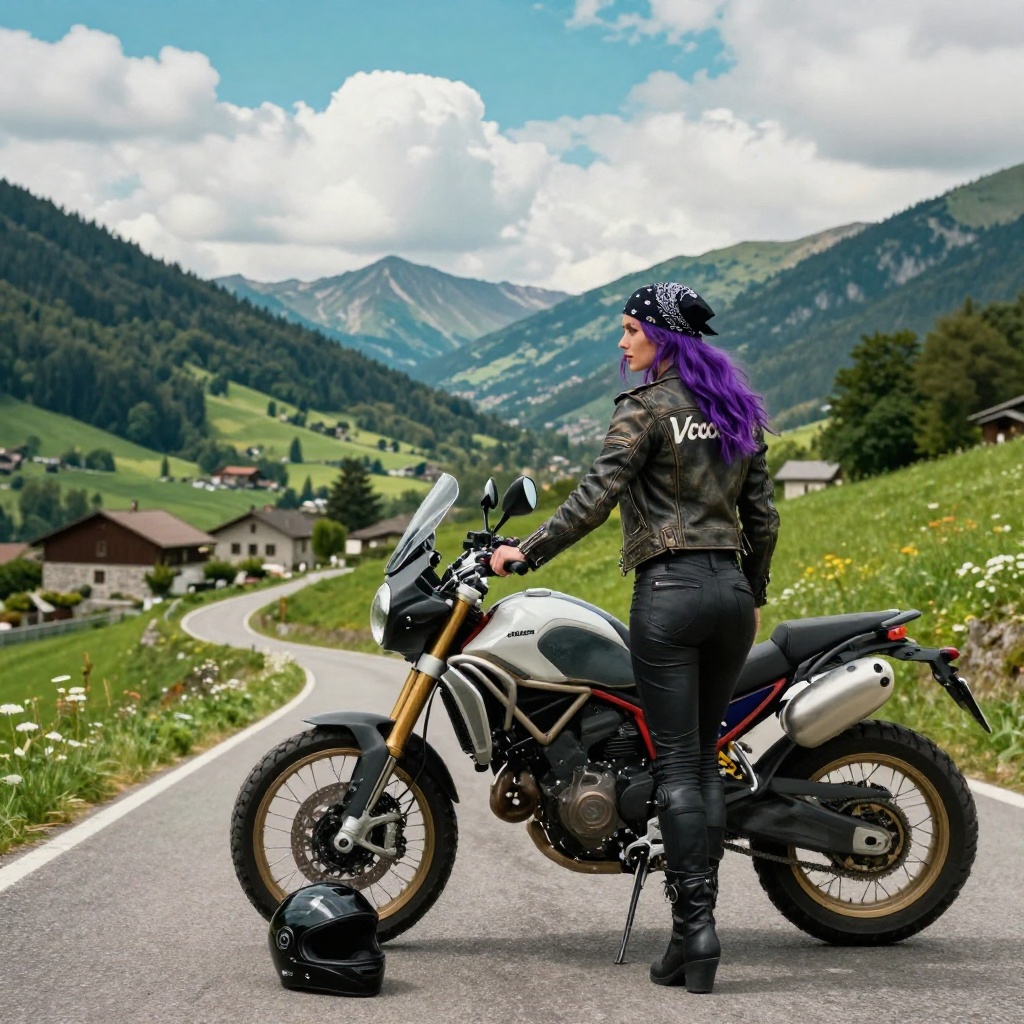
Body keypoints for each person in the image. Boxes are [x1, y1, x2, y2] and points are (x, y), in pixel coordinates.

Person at [490, 282, 779, 994]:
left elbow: (595, 498)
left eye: (629, 330)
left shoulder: (645, 410)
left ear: (662, 336)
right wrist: (753, 594)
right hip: (730, 597)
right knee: (704, 763)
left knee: (679, 765)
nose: (622, 344)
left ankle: (697, 935)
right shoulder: (735, 410)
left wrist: (524, 553)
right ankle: (693, 938)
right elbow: (764, 519)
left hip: (670, 595)